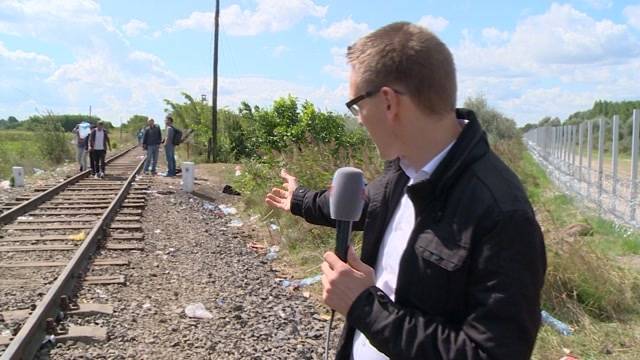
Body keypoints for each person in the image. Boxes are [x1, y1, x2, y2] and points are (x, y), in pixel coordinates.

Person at [265, 22, 546, 360]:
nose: (358, 119)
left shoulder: (501, 213)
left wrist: (364, 305)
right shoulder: (400, 172)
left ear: (388, 102)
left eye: (356, 105)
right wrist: (300, 199)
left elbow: (489, 353)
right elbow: (360, 206)